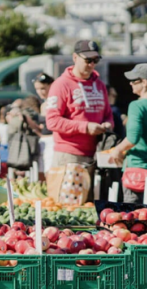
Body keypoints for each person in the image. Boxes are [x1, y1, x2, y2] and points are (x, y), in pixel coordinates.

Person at [46, 40, 114, 202]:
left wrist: (107, 124)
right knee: (69, 208)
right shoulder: (61, 85)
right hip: (69, 156)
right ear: (75, 57)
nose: (91, 65)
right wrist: (85, 127)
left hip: (95, 155)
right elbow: (52, 121)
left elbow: (108, 114)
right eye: (88, 60)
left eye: (95, 61)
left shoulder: (100, 85)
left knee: (89, 209)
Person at [110, 64, 147, 206]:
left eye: (134, 80)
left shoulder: (137, 105)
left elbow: (133, 138)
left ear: (145, 82)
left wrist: (117, 150)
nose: (130, 83)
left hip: (136, 171)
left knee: (133, 217)